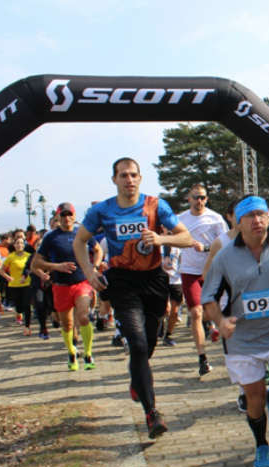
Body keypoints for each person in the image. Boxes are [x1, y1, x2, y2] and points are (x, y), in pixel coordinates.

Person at [73, 157, 193, 439]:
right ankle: (152, 414)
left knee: (148, 345)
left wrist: (162, 240)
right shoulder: (103, 210)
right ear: (114, 179)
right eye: (123, 175)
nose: (129, 180)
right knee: (137, 345)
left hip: (153, 280)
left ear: (140, 178)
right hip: (123, 282)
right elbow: (79, 241)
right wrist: (89, 272)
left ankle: (137, 379)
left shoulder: (155, 205)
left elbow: (186, 237)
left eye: (134, 175)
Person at [202, 195, 269, 467]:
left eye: (262, 214)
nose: (257, 221)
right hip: (242, 340)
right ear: (238, 223)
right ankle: (262, 444)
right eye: (250, 216)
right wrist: (219, 321)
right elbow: (208, 297)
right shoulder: (225, 257)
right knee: (254, 398)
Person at [32, 203, 103, 371]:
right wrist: (57, 266)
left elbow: (98, 249)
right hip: (61, 285)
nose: (66, 218)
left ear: (74, 215)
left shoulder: (82, 232)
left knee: (84, 317)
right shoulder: (51, 237)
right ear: (57, 217)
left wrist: (95, 267)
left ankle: (88, 353)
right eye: (62, 215)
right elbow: (36, 263)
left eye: (69, 214)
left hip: (81, 282)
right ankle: (72, 351)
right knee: (67, 324)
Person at [177, 184, 228, 377]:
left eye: (203, 198)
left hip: (212, 270)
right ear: (188, 198)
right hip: (189, 271)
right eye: (196, 197)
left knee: (209, 312)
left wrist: (206, 248)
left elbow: (224, 243)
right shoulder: (180, 219)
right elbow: (169, 237)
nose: (199, 201)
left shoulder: (216, 218)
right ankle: (202, 358)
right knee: (196, 313)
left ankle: (209, 324)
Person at [1, 237, 32, 335]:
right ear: (14, 245)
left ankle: (27, 327)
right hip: (14, 285)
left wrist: (27, 275)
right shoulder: (11, 257)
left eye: (21, 243)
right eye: (17, 243)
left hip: (27, 284)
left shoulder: (28, 256)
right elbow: (1, 270)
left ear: (24, 245)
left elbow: (33, 268)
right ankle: (18, 313)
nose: (19, 245)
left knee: (27, 305)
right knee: (19, 307)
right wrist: (7, 277)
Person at [160, 237, 182, 347]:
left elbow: (183, 261)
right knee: (166, 309)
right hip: (161, 281)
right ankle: (160, 324)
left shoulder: (178, 246)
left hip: (176, 281)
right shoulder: (157, 244)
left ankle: (168, 335)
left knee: (175, 312)